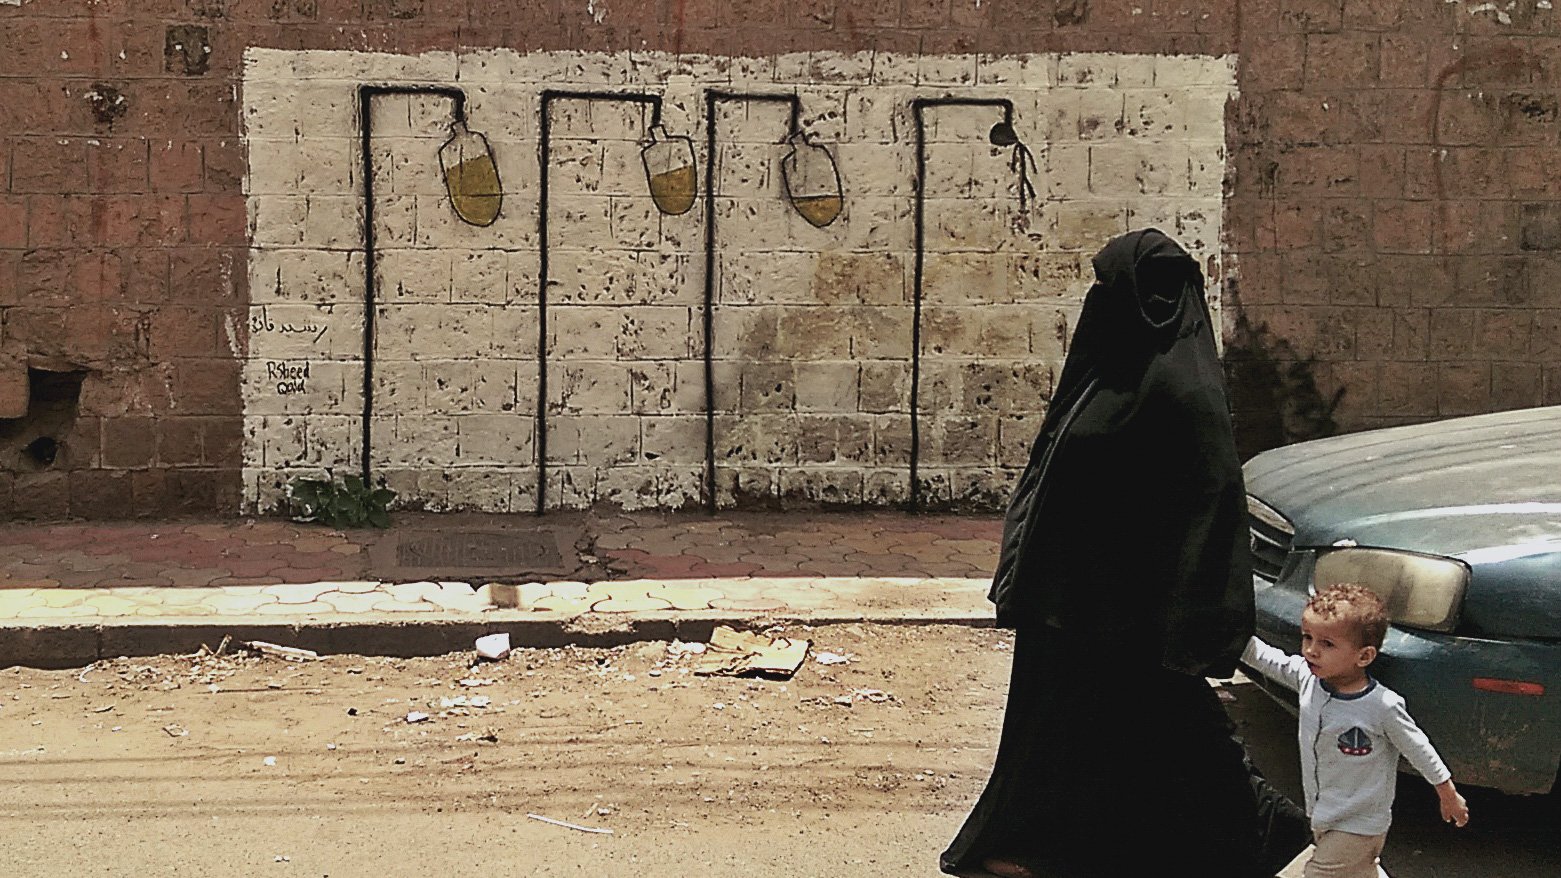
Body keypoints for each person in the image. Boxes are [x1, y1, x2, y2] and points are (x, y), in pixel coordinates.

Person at [940, 228, 1310, 877]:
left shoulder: (1182, 389)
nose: (1099, 300)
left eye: (1110, 289)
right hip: (1072, 598)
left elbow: (1206, 502)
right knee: (1075, 730)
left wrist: (1192, 615)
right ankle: (1038, 848)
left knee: (1170, 730)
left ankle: (1256, 827)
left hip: (1134, 609)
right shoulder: (1105, 368)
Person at [1243, 584, 1470, 878]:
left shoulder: (1381, 706)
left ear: (1364, 657)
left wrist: (1447, 792)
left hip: (1359, 824)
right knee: (1362, 872)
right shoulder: (1307, 679)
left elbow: (1418, 747)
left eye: (1327, 644)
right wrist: (1230, 636)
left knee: (1319, 874)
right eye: (1307, 637)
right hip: (1323, 814)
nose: (1311, 650)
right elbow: (1266, 658)